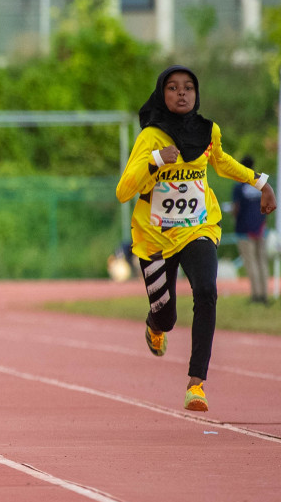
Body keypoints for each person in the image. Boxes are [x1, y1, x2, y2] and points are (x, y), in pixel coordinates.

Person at [116, 66, 275, 411]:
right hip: (154, 238)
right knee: (167, 317)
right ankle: (154, 324)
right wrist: (156, 161)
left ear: (197, 93)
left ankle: (196, 384)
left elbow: (223, 162)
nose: (182, 93)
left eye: (188, 87)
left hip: (198, 227)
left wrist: (260, 182)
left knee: (206, 290)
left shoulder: (208, 131)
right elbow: (123, 191)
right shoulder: (150, 138)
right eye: (173, 88)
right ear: (162, 94)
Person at [231, 156, 270, 305]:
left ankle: (255, 295)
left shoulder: (239, 186)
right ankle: (264, 294)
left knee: (251, 262)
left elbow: (236, 208)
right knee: (262, 262)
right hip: (260, 228)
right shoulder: (260, 183)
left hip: (244, 229)